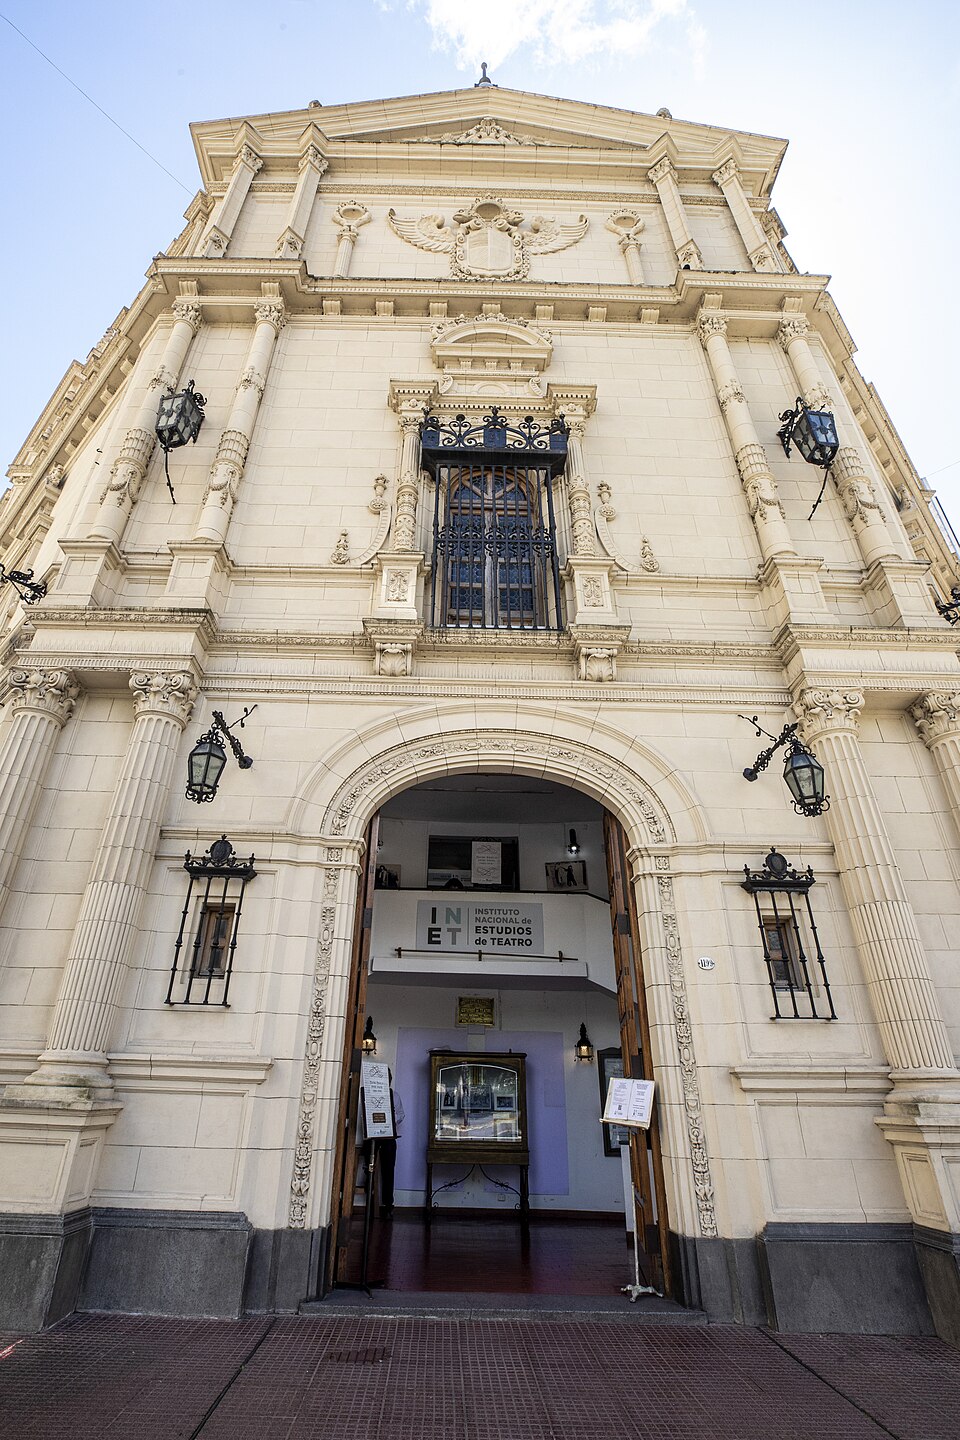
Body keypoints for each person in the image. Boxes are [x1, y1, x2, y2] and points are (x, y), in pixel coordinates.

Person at [379, 1070, 404, 1218]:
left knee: (388, 1171)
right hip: (373, 1137)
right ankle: (371, 1203)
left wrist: (389, 1117)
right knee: (370, 1170)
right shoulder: (370, 1094)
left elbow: (401, 1114)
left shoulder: (394, 1096)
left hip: (388, 1137)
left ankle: (388, 1205)